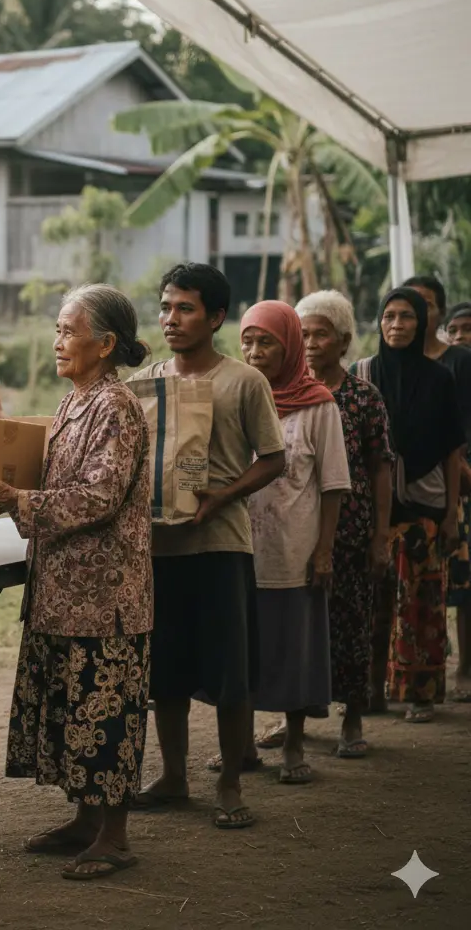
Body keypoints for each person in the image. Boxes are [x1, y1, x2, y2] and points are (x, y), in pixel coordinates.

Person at [0, 284, 152, 880]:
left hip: (105, 597)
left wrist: (21, 500)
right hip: (63, 590)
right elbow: (50, 485)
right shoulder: (73, 402)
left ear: (106, 344)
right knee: (74, 711)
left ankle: (114, 837)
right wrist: (4, 500)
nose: (57, 341)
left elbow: (98, 495)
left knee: (105, 714)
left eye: (69, 331)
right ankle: (85, 821)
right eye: (59, 330)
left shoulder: (116, 405)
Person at [129, 263, 285, 830]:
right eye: (166, 307)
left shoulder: (244, 382)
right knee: (163, 670)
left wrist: (221, 498)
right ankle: (173, 776)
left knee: (228, 671)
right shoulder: (146, 382)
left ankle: (229, 783)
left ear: (216, 317)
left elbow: (274, 459)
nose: (171, 319)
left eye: (186, 309)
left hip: (221, 545)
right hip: (158, 550)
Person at [239, 301, 351, 785]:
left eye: (267, 342)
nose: (255, 351)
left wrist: (323, 550)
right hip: (239, 548)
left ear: (287, 348)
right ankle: (240, 746)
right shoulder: (237, 396)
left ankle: (294, 744)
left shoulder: (318, 403)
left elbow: (333, 484)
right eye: (248, 341)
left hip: (294, 548)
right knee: (242, 652)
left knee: (294, 649)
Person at [354, 288, 465, 722]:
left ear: (422, 324)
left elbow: (452, 452)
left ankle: (420, 693)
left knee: (422, 606)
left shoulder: (440, 378)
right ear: (379, 323)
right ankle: (371, 689)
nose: (396, 325)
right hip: (372, 510)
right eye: (389, 316)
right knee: (373, 605)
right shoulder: (361, 374)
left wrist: (453, 514)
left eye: (406, 317)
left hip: (424, 508)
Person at [296, 291, 394, 755]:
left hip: (351, 533)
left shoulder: (361, 397)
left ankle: (352, 719)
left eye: (322, 334)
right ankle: (291, 719)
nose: (311, 343)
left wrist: (380, 536)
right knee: (296, 627)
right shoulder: (285, 392)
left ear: (344, 341)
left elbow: (380, 467)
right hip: (294, 529)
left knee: (352, 624)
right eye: (304, 334)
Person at [407, 279, 471, 703]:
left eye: (424, 305)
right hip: (413, 490)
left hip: (458, 480)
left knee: (462, 582)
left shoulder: (459, 363)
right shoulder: (389, 364)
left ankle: (464, 666)